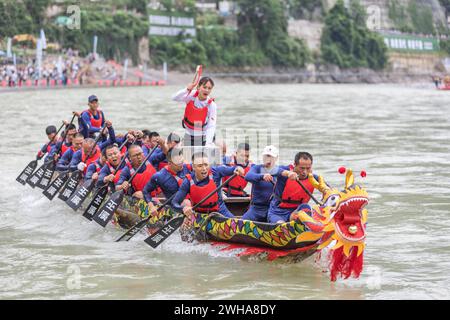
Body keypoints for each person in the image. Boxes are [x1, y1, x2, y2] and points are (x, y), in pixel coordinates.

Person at [171, 151, 245, 220]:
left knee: (237, 225)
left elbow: (233, 169)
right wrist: (184, 209)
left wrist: (239, 168)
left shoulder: (216, 171)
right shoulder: (188, 182)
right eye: (200, 166)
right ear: (193, 167)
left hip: (220, 210)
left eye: (206, 165)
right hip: (199, 215)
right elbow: (174, 203)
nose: (204, 169)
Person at [267, 152, 319, 224]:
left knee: (306, 207)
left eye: (308, 168)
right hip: (277, 213)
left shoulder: (313, 178)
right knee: (281, 225)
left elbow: (328, 190)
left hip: (295, 212)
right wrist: (287, 173)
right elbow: (271, 169)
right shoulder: (285, 171)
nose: (304, 172)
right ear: (294, 164)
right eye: (302, 168)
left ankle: (301, 225)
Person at [143, 147, 192, 216]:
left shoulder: (187, 167)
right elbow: (146, 191)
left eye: (182, 160)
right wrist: (151, 206)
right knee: (186, 202)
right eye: (178, 162)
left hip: (192, 203)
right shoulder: (160, 176)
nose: (181, 164)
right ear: (169, 163)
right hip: (174, 206)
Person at [172, 77, 217, 147]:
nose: (207, 90)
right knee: (186, 157)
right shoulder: (191, 95)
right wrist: (186, 90)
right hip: (189, 135)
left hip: (203, 136)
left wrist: (207, 144)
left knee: (201, 157)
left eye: (209, 88)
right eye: (204, 87)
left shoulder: (212, 105)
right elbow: (174, 98)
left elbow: (211, 126)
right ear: (198, 87)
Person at [241, 146, 279, 222]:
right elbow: (248, 176)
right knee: (241, 224)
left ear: (276, 158)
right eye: (266, 156)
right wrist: (262, 176)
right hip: (256, 209)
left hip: (273, 209)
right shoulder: (256, 168)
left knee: (279, 222)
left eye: (271, 157)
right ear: (263, 157)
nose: (268, 159)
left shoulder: (280, 170)